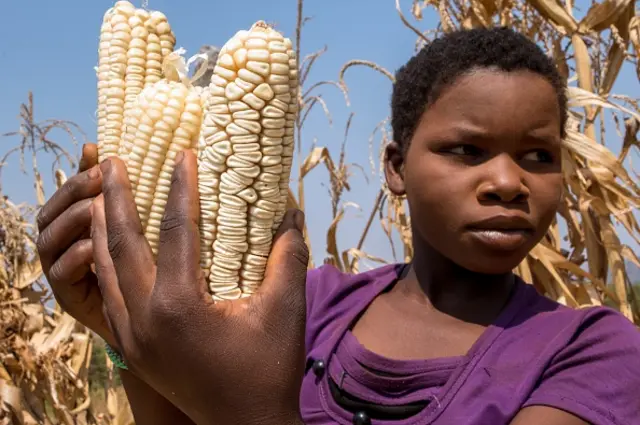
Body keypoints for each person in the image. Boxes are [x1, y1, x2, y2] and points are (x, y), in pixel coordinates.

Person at [36, 26, 640, 425]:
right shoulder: (304, 303)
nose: (508, 182)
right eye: (468, 151)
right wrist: (126, 337)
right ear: (396, 168)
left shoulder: (593, 352)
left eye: (539, 156)